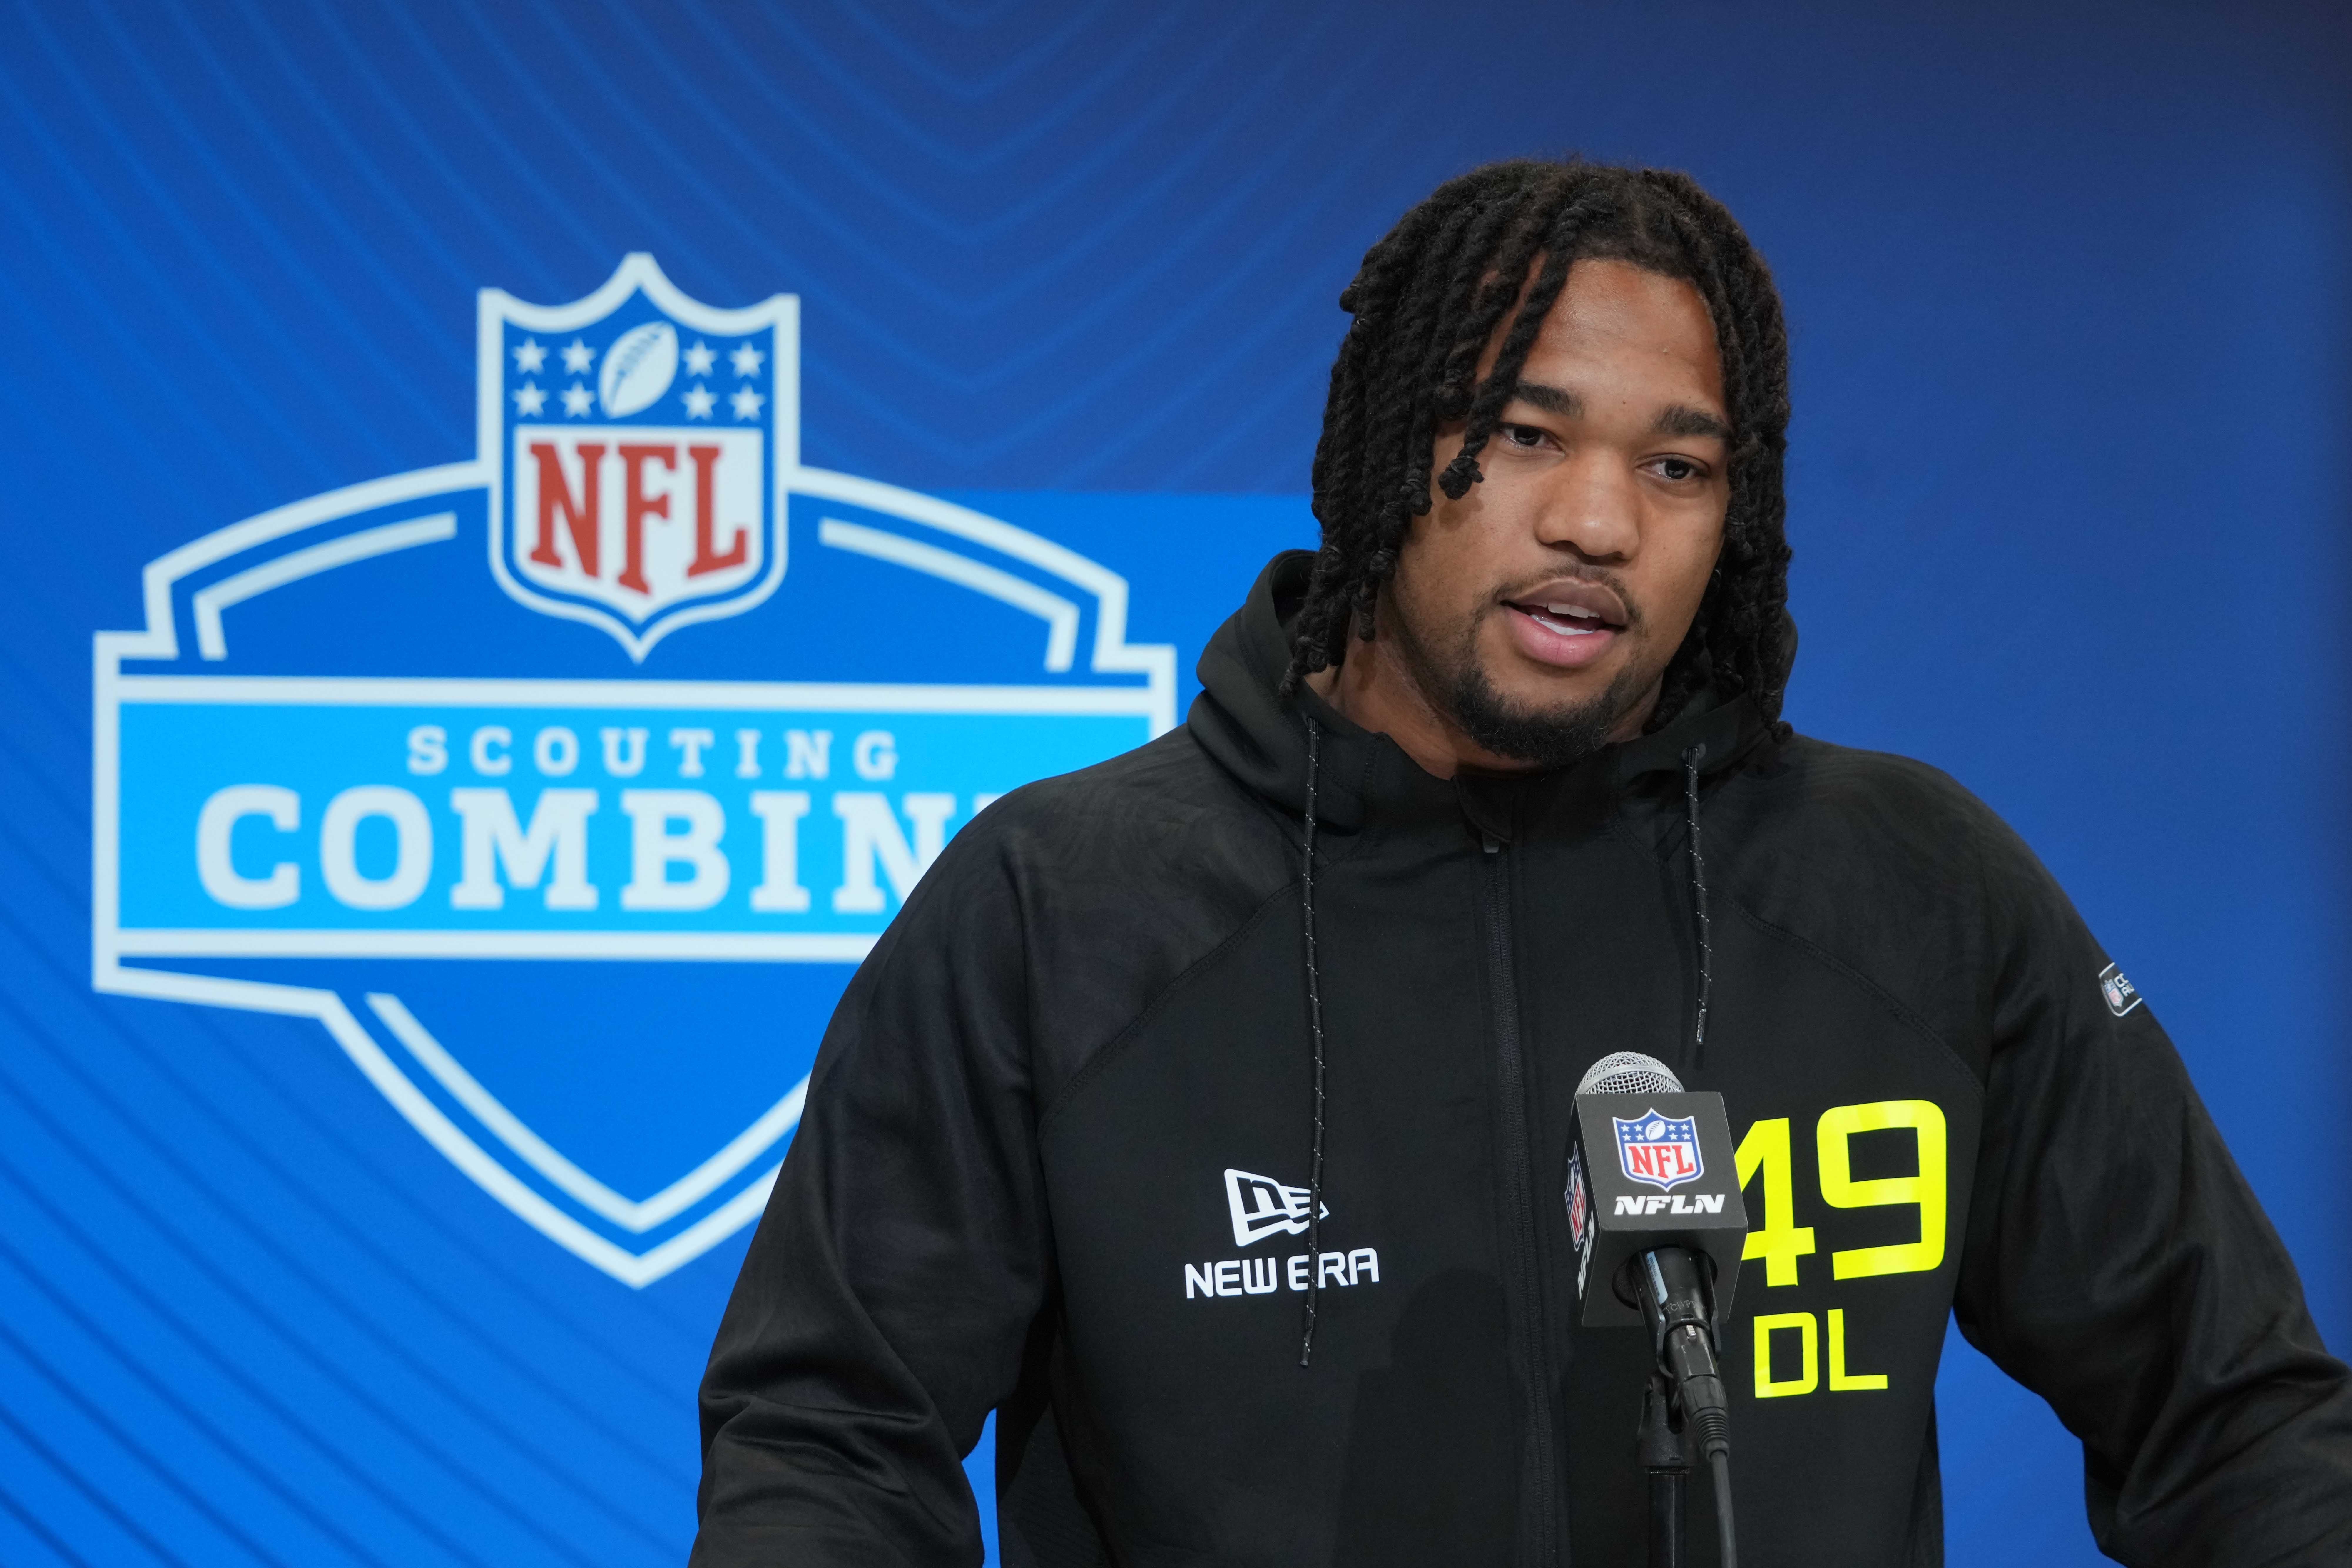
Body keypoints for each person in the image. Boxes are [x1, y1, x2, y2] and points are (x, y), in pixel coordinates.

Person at [691, 158, 2352, 1566]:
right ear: (1382, 451)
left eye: (1675, 466)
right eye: (1525, 432)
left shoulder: (1906, 885)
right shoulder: (1064, 902)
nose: (1597, 522)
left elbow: (2236, 1419)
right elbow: (831, 1444)